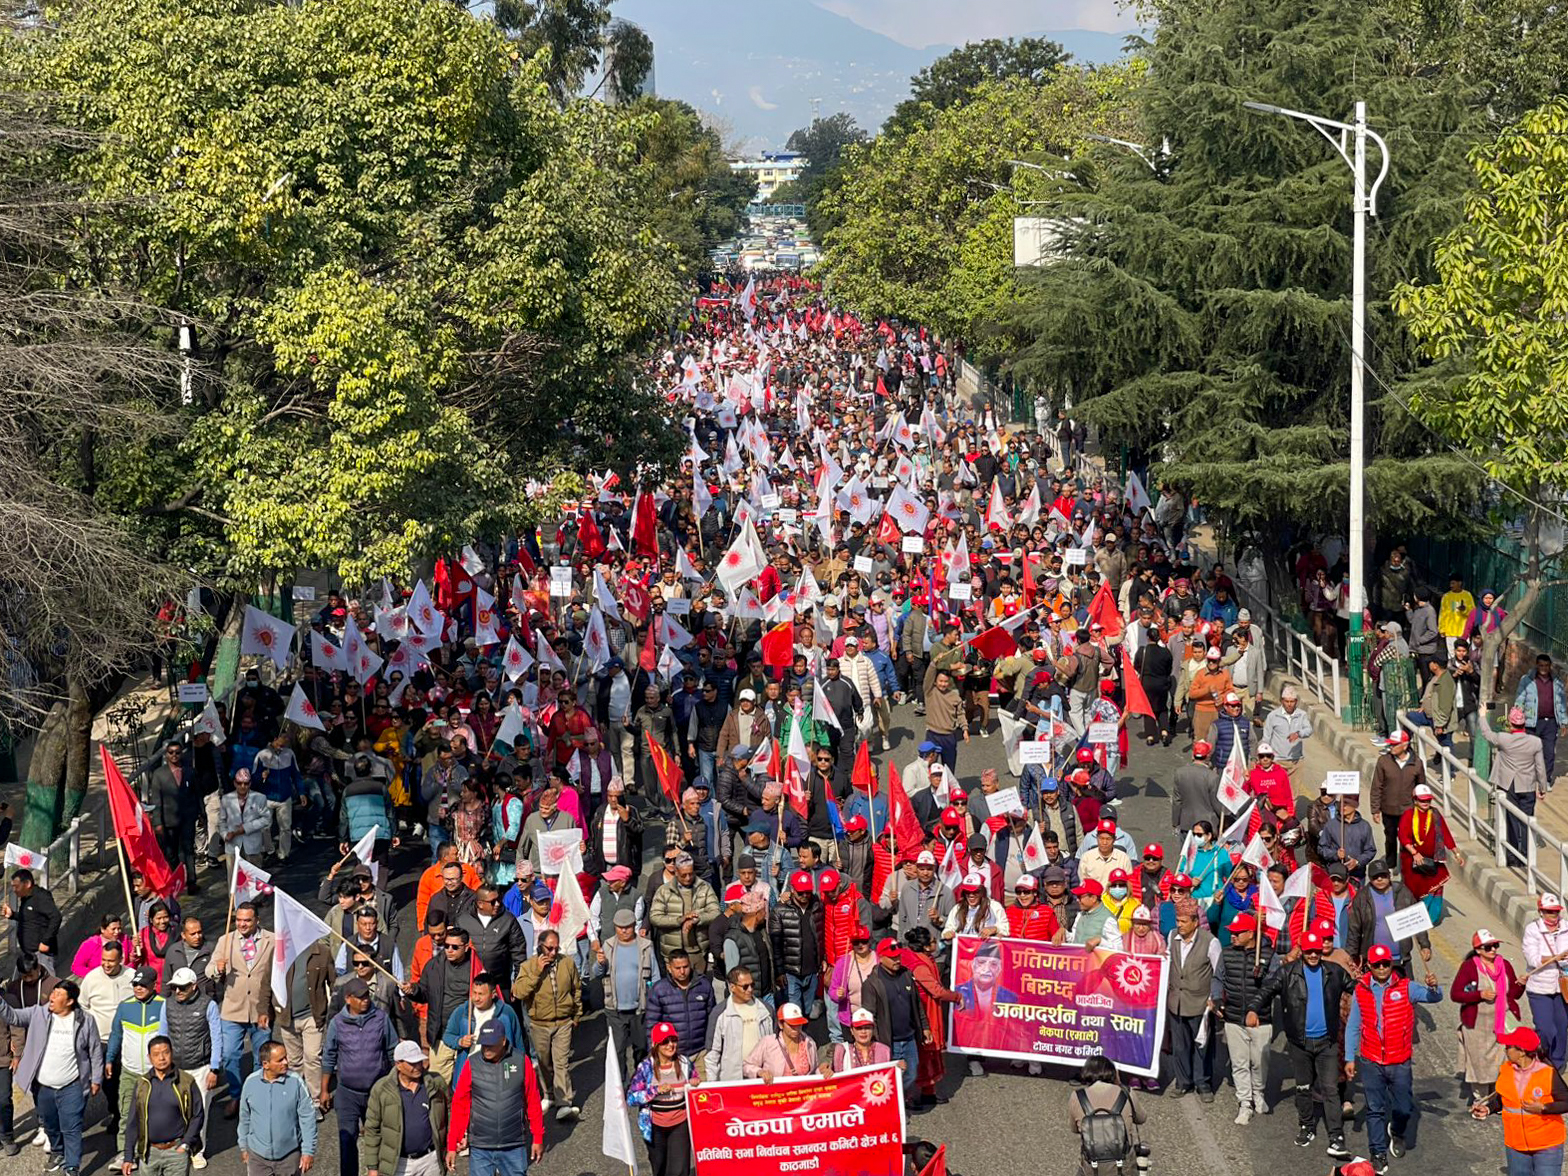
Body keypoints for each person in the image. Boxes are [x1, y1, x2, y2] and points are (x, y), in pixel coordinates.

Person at [1249, 932, 1353, 1158]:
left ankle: (1336, 1136)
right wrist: (1253, 1009)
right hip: (1299, 1043)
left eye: (1317, 951)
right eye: (1309, 951)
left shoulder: (1334, 972)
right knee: (1303, 1087)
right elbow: (1266, 990)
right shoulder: (1287, 973)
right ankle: (1306, 1126)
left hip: (1327, 1042)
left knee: (1331, 1090)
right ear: (1302, 951)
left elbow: (1358, 988)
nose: (1314, 955)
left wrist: (1380, 987)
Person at [1345, 944, 1443, 1172]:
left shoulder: (1407, 987)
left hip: (1399, 1061)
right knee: (1375, 1109)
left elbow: (1434, 997)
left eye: (1385, 964)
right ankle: (1377, 1152)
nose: (1382, 968)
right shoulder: (1361, 990)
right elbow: (1353, 1025)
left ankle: (1397, 1131)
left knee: (1404, 1108)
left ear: (1391, 964)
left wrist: (1434, 987)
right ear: (1369, 966)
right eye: (1377, 964)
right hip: (1371, 1060)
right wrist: (1350, 1057)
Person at [0, 977, 101, 1176]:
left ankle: (72, 1166)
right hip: (43, 1087)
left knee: (71, 1128)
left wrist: (96, 1078)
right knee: (51, 1125)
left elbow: (95, 1050)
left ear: (70, 1001)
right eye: (53, 992)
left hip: (72, 1086)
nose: (52, 997)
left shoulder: (85, 1020)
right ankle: (57, 1151)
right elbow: (12, 1016)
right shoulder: (39, 1013)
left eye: (58, 994)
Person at [320, 976, 397, 1176]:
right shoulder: (337, 1023)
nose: (365, 1000)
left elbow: (392, 1050)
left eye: (367, 996)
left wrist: (396, 1084)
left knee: (379, 1140)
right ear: (348, 999)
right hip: (347, 1094)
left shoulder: (381, 1018)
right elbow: (329, 1055)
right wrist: (324, 1090)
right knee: (347, 1140)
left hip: (376, 1092)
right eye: (360, 997)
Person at [447, 1019, 546, 1175]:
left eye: (491, 1044)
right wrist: (453, 1144)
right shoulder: (472, 1063)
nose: (486, 1048)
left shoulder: (521, 1061)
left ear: (503, 1041)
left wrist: (538, 1137)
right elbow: (460, 1105)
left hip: (513, 1145)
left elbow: (532, 1100)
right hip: (481, 1147)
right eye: (483, 1044)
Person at [207, 900, 275, 1115]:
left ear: (257, 920)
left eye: (247, 920)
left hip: (261, 1010)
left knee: (261, 1058)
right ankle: (236, 1095)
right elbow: (210, 969)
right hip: (232, 1009)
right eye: (238, 920)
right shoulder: (225, 940)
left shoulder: (272, 940)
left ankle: (255, 1097)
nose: (242, 924)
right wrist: (217, 970)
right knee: (229, 1055)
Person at [1471, 1025, 1568, 1175]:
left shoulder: (1548, 1073)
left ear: (1522, 1051)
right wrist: (1488, 1108)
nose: (1505, 1050)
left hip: (1547, 1146)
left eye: (1508, 1047)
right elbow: (1504, 1098)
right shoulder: (1506, 1070)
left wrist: (1544, 1108)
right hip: (1516, 1145)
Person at [510, 929, 581, 1121]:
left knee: (561, 1063)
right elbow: (519, 992)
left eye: (556, 948)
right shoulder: (528, 966)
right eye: (549, 948)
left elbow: (576, 989)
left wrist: (576, 1015)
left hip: (563, 1022)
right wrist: (536, 972)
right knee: (543, 1063)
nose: (553, 952)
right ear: (540, 946)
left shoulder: (567, 963)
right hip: (539, 1024)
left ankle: (564, 1103)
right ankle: (549, 1094)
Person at [158, 967, 222, 1170]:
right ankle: (178, 1147)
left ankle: (197, 1150)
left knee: (199, 1112)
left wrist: (214, 1068)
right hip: (175, 1068)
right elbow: (162, 1035)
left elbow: (217, 1038)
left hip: (201, 1067)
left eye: (182, 987)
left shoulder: (209, 1005)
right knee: (173, 1110)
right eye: (175, 987)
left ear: (194, 986)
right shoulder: (167, 1005)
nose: (178, 991)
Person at [1450, 928, 1521, 1108]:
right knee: (1480, 1066)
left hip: (1502, 1024)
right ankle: (1481, 1101)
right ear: (1478, 950)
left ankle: (1497, 1099)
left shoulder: (1505, 965)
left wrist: (1521, 984)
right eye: (1488, 947)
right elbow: (1456, 994)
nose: (1493, 950)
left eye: (1495, 945)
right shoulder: (1469, 967)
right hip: (1477, 1026)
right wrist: (1479, 995)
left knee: (1503, 1063)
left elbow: (1514, 993)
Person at [1215, 913, 1275, 1123]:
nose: (1232, 936)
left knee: (1259, 1062)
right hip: (1233, 1017)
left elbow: (1273, 985)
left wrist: (1262, 977)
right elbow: (1218, 978)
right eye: (1231, 932)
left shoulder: (1268, 955)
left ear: (1251, 934)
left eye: (1237, 933)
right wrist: (1216, 999)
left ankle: (1258, 1092)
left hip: (1260, 1019)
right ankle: (1244, 1102)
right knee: (1239, 1063)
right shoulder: (1227, 953)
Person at [361, 1040, 449, 1176]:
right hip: (400, 1164)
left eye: (419, 1061)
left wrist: (451, 1145)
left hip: (431, 1160)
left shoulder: (436, 1083)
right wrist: (372, 1167)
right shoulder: (381, 1089)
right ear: (398, 1064)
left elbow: (450, 1111)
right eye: (412, 1063)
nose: (418, 1066)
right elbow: (372, 1129)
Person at [120, 1035, 204, 1176]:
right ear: (149, 1057)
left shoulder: (186, 1081)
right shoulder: (142, 1084)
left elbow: (198, 1115)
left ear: (172, 1053)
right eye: (156, 1054)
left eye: (165, 1052)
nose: (161, 1058)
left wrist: (186, 1144)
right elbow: (133, 1121)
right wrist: (128, 1156)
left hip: (176, 1152)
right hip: (149, 1153)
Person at [626, 1022, 696, 1176]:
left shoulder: (685, 1063)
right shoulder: (645, 1067)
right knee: (659, 1168)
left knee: (679, 1170)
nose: (670, 1045)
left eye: (673, 1040)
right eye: (665, 1041)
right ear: (655, 1044)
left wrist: (695, 1083)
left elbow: (695, 1084)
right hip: (654, 1125)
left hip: (680, 1123)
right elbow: (631, 1098)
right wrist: (655, 1091)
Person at [1480, 706, 1548, 864]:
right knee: (1527, 821)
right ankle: (1526, 855)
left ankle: (1512, 856)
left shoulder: (1504, 739)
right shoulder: (1535, 742)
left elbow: (1487, 734)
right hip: (1528, 786)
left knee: (1511, 820)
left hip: (1508, 785)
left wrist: (1482, 716)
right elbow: (1540, 767)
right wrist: (1542, 787)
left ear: (1510, 724)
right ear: (1524, 724)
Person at [1164, 909, 1219, 1101]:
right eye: (1178, 920)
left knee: (1202, 1046)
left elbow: (1218, 972)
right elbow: (1167, 961)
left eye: (1183, 921)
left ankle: (1203, 1084)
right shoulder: (1172, 936)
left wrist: (1214, 998)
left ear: (1195, 922)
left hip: (1200, 1003)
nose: (1179, 925)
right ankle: (1183, 1082)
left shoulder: (1210, 942)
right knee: (1180, 1046)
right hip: (1176, 1002)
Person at [598, 908, 657, 1076]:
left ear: (634, 926)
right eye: (620, 927)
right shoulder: (608, 945)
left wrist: (654, 1003)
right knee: (618, 1051)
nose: (624, 931)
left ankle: (641, 1082)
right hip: (614, 1010)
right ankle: (621, 1085)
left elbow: (655, 975)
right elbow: (598, 973)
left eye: (628, 927)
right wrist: (600, 963)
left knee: (641, 1049)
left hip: (640, 1009)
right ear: (615, 927)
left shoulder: (646, 946)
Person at [107, 965, 166, 1129]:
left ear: (154, 985)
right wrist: (109, 1059)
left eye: (143, 985)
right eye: (135, 984)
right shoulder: (124, 1006)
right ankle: (125, 1146)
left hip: (156, 1073)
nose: (138, 988)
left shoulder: (164, 1005)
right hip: (129, 1072)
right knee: (126, 1117)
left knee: (156, 1117)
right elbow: (116, 1034)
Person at [643, 950, 718, 1080]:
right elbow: (652, 1024)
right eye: (677, 968)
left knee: (703, 1090)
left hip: (700, 1052)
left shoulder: (704, 985)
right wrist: (654, 1053)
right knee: (675, 1090)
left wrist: (711, 1048)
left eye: (685, 967)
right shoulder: (659, 990)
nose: (682, 971)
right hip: (672, 1054)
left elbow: (712, 1019)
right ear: (669, 968)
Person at [1068, 1053, 1145, 1176]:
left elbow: (1074, 1129)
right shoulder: (1126, 1093)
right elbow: (1141, 1118)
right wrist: (1119, 1084)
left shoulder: (1077, 1096)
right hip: (1123, 1166)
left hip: (1092, 1167)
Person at [1523, 893, 1568, 1070]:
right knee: (1546, 1029)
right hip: (1539, 988)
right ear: (1541, 912)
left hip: (1562, 987)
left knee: (1562, 1027)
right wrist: (1555, 957)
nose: (1553, 915)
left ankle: (1557, 1064)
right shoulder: (1532, 930)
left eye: (1555, 911)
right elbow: (1532, 958)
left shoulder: (1566, 928)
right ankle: (1541, 1055)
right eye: (1549, 912)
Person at [706, 967, 775, 1083]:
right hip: (732, 1080)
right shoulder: (719, 1014)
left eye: (752, 985)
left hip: (761, 1078)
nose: (750, 989)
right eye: (745, 986)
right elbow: (713, 1053)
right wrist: (712, 1084)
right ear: (732, 987)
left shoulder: (766, 1010)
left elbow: (774, 1045)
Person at [1370, 730, 1424, 867]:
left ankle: (1405, 866)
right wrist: (1375, 809)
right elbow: (1377, 786)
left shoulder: (1417, 763)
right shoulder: (1383, 761)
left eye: (1395, 744)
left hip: (1408, 810)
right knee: (1390, 837)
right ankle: (1391, 864)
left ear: (1405, 745)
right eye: (1391, 744)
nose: (1391, 747)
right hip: (1388, 809)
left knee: (1406, 839)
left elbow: (1421, 787)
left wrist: (1420, 808)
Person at [1516, 653, 1567, 787]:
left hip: (1550, 722)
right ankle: (1530, 778)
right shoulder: (1527, 680)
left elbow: (1561, 703)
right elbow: (1520, 699)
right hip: (1532, 722)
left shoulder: (1557, 683)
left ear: (1550, 666)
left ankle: (1546, 780)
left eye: (1546, 666)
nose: (1543, 668)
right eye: (1541, 665)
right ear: (1536, 666)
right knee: (1530, 752)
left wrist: (1564, 722)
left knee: (1549, 753)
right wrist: (1517, 717)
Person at [742, 1001, 819, 1080]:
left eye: (799, 1024)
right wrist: (760, 1072)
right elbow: (746, 1065)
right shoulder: (768, 1043)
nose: (796, 1028)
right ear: (780, 1024)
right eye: (791, 1025)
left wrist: (822, 1071)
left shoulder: (809, 1043)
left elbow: (815, 1070)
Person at [4, 868, 61, 960]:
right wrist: (12, 915)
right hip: (28, 953)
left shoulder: (41, 897)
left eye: (16, 886)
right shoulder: (25, 898)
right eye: (13, 886)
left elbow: (56, 917)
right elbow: (30, 917)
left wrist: (45, 941)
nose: (14, 890)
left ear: (27, 884)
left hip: (41, 954)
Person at [1261, 687, 1313, 786]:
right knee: (1277, 790)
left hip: (1296, 761)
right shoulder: (1273, 716)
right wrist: (1264, 757)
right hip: (1277, 761)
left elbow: (1309, 730)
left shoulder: (1301, 715)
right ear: (1282, 701)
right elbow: (1266, 738)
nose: (1289, 704)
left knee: (1294, 792)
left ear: (1296, 702)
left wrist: (1298, 733)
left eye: (1292, 701)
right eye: (1287, 701)